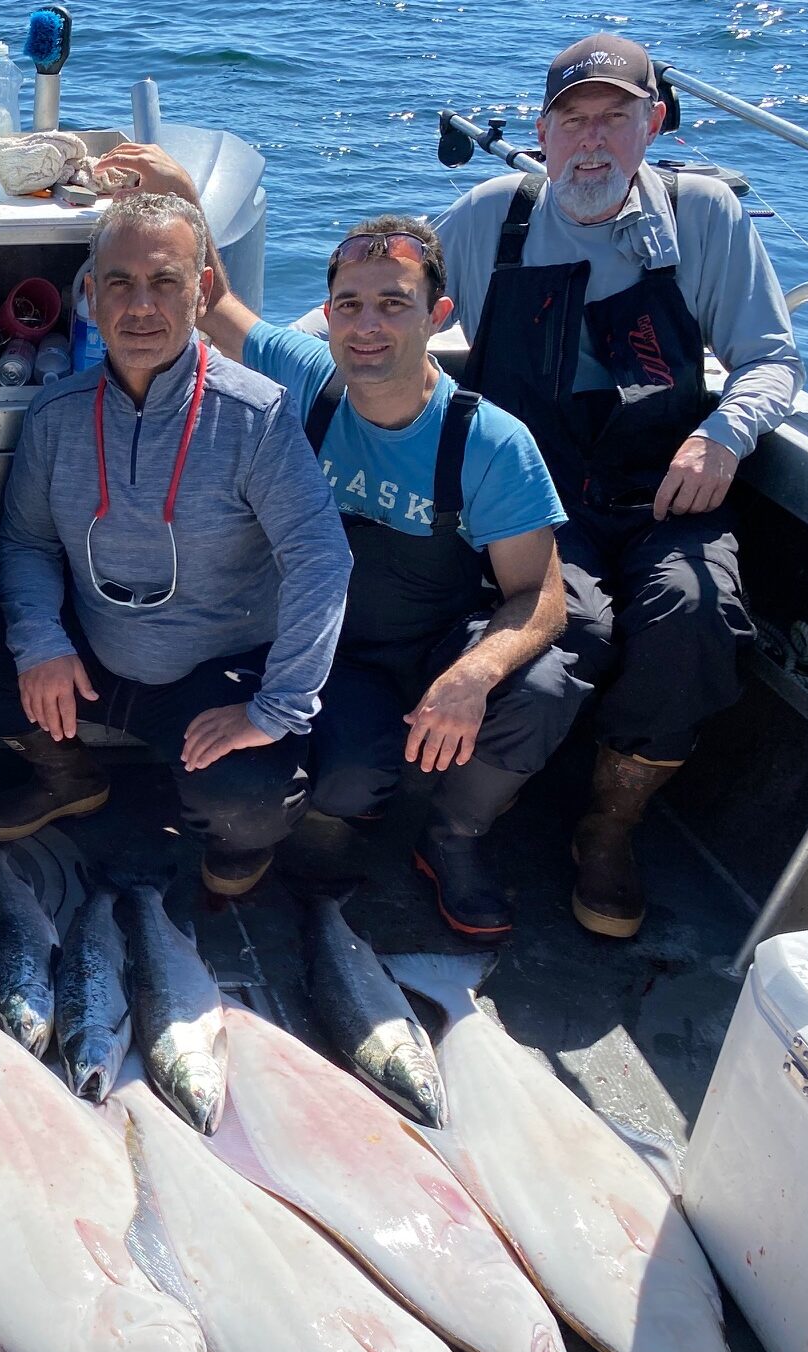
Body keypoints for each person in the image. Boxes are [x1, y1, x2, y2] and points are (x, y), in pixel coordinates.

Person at [431, 33, 801, 938]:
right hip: (536, 497)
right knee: (564, 636)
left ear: (655, 124)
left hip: (669, 487)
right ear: (543, 132)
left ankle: (612, 823)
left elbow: (773, 361)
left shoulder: (704, 214)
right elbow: (377, 310)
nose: (589, 142)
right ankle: (466, 821)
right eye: (570, 121)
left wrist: (722, 434)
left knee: (695, 613)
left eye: (614, 119)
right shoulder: (490, 218)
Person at [183, 204, 585, 935]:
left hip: (436, 644)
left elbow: (544, 597)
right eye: (350, 306)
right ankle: (356, 796)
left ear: (438, 315)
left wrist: (472, 676)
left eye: (394, 304)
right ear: (329, 315)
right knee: (346, 773)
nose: (368, 326)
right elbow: (214, 306)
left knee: (543, 686)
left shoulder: (492, 440)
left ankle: (454, 836)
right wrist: (178, 187)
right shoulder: (311, 381)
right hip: (333, 653)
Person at [0, 192, 352, 897]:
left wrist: (276, 709)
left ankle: (237, 838)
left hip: (214, 668)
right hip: (94, 653)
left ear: (202, 289)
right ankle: (68, 774)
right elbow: (25, 540)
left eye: (165, 281)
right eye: (119, 282)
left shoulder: (256, 414)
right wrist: (40, 642)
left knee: (246, 798)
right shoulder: (56, 413)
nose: (140, 306)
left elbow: (320, 559)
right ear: (89, 294)